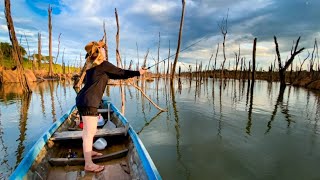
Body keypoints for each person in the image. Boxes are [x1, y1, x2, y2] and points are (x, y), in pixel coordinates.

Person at [76, 40, 147, 172]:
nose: (104, 50)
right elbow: (121, 73)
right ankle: (88, 164)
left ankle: (89, 151)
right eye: (102, 49)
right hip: (89, 102)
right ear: (99, 53)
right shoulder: (103, 65)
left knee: (88, 131)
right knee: (89, 133)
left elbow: (116, 75)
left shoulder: (92, 68)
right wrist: (138, 72)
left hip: (83, 100)